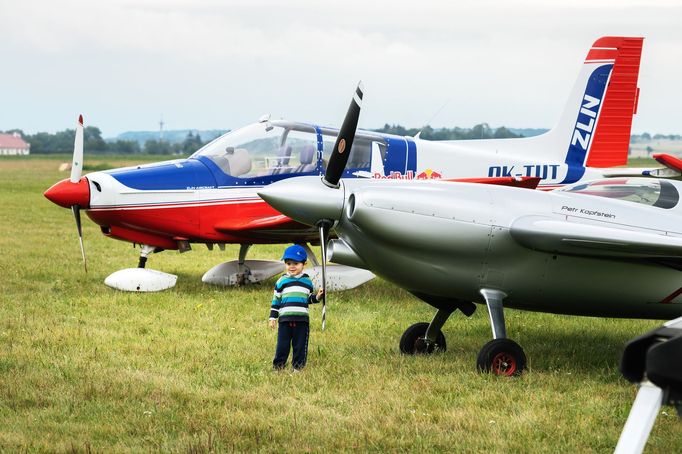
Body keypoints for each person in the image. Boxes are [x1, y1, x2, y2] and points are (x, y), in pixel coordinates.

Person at [269, 244, 324, 370]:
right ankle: (278, 366)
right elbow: (276, 300)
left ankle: (298, 367)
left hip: (302, 321)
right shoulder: (282, 281)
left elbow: (308, 299)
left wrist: (318, 297)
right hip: (284, 320)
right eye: (288, 263)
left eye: (295, 263)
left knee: (300, 345)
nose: (292, 266)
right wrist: (272, 318)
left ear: (304, 264)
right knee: (282, 345)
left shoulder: (307, 281)